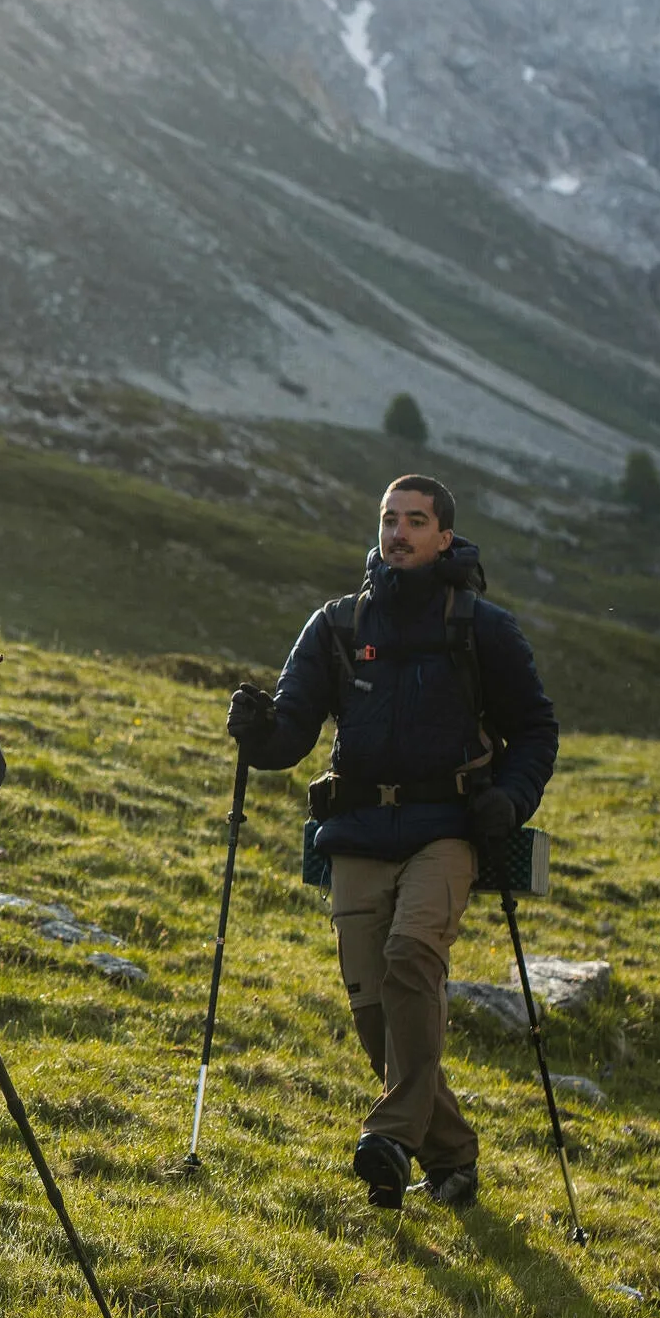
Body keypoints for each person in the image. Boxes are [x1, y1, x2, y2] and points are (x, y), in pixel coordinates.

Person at [226, 475, 557, 1211]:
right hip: (358, 832)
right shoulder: (338, 626)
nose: (398, 534)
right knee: (374, 1011)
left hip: (447, 829)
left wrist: (512, 796)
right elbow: (291, 729)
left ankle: (389, 1140)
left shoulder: (482, 629)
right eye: (388, 520)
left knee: (412, 958)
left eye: (415, 521)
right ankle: (451, 1157)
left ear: (445, 536)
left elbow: (535, 730)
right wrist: (259, 732)